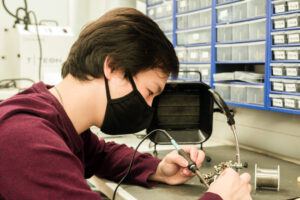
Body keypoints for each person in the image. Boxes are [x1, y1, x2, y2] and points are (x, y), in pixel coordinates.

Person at [0, 7, 252, 200]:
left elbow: (100, 155)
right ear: (114, 68)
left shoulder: (55, 119)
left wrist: (157, 169)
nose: (149, 107)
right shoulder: (24, 139)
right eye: (149, 92)